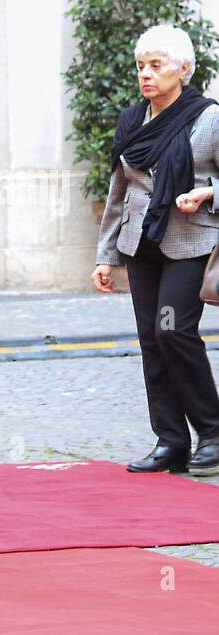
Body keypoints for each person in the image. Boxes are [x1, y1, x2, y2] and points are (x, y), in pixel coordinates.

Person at [93, 24, 219, 476]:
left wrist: (207, 194)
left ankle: (213, 430)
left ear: (183, 69)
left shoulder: (208, 118)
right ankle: (170, 441)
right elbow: (118, 191)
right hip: (140, 243)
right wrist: (105, 255)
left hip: (190, 242)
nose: (146, 74)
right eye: (141, 66)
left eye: (156, 65)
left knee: (173, 331)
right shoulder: (132, 121)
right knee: (151, 341)